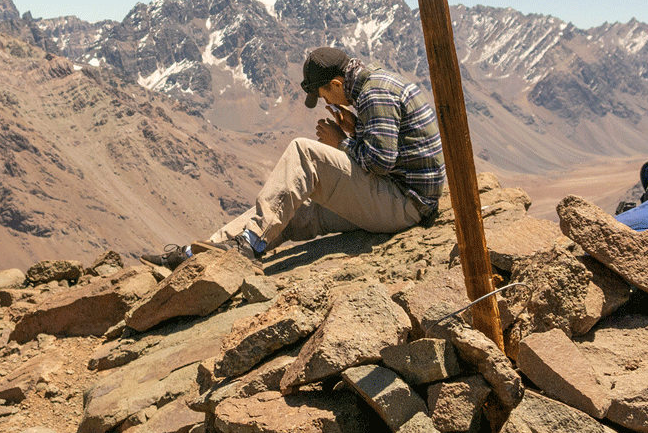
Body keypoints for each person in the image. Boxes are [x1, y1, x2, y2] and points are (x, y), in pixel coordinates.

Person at [142, 46, 447, 269]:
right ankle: (196, 256)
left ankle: (250, 243)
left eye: (325, 95)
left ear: (337, 84)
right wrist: (356, 131)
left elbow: (380, 162)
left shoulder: (374, 94)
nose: (326, 101)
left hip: (405, 205)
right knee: (288, 209)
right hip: (398, 197)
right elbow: (392, 153)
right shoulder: (376, 83)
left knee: (304, 151)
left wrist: (341, 142)